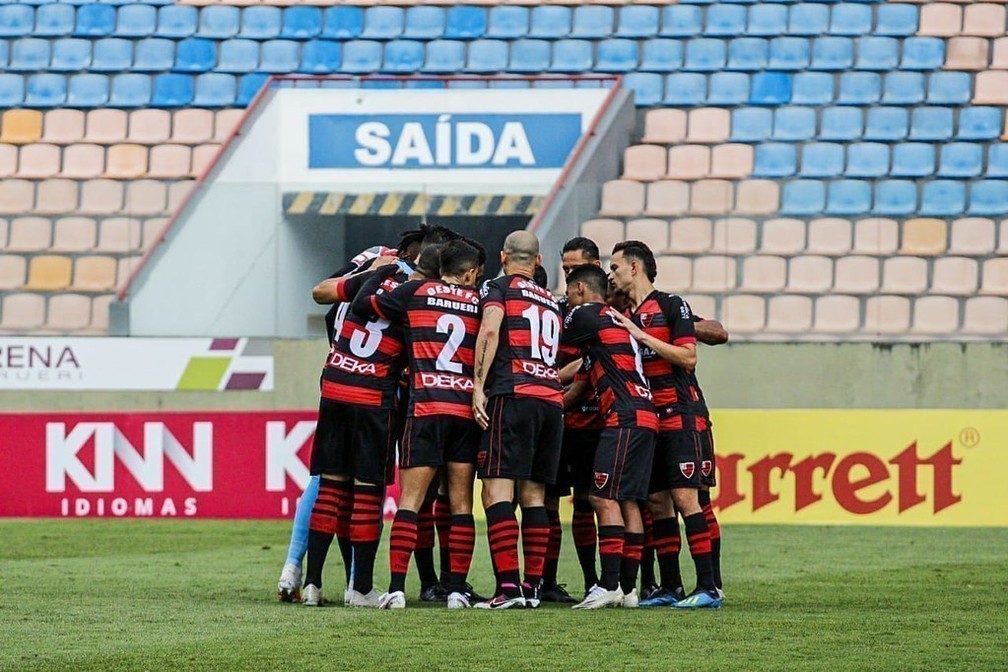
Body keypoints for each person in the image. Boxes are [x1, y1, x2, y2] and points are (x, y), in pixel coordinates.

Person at [276, 232, 423, 603]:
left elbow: (323, 294)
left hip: (337, 377)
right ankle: (358, 585)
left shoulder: (372, 262)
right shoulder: (417, 291)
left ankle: (306, 578)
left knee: (327, 483)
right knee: (367, 492)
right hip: (375, 392)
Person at [351, 240, 484, 609]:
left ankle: (396, 588)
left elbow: (363, 304)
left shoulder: (416, 291)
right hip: (464, 411)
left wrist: (380, 269)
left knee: (410, 501)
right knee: (460, 504)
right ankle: (457, 589)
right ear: (470, 271)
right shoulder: (479, 302)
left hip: (425, 408)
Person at [607, 240, 722, 609]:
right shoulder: (625, 313)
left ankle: (708, 587)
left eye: (615, 267)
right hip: (650, 420)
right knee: (657, 502)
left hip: (682, 413)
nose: (612, 274)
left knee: (687, 497)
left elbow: (688, 358)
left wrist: (643, 337)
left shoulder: (671, 305)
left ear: (635, 268)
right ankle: (670, 586)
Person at [471, 230, 564, 609]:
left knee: (496, 490)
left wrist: (479, 385)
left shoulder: (499, 288)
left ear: (503, 256)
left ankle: (508, 587)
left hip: (514, 393)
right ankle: (533, 586)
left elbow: (491, 329)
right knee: (535, 495)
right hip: (551, 400)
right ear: (538, 262)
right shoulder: (552, 300)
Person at [560, 263, 658, 609]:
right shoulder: (613, 326)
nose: (567, 301)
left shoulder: (587, 313)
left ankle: (608, 583)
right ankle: (629, 589)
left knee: (601, 498)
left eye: (569, 293)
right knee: (628, 500)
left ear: (581, 290)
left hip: (623, 416)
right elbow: (578, 383)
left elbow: (541, 335)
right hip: (646, 415)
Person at [542, 237, 606, 602]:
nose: (566, 276)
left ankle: (596, 579)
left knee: (589, 501)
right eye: (563, 269)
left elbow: (587, 367)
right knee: (549, 500)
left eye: (572, 269)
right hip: (561, 420)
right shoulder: (554, 308)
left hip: (594, 421)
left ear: (592, 267)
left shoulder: (609, 309)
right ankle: (546, 581)